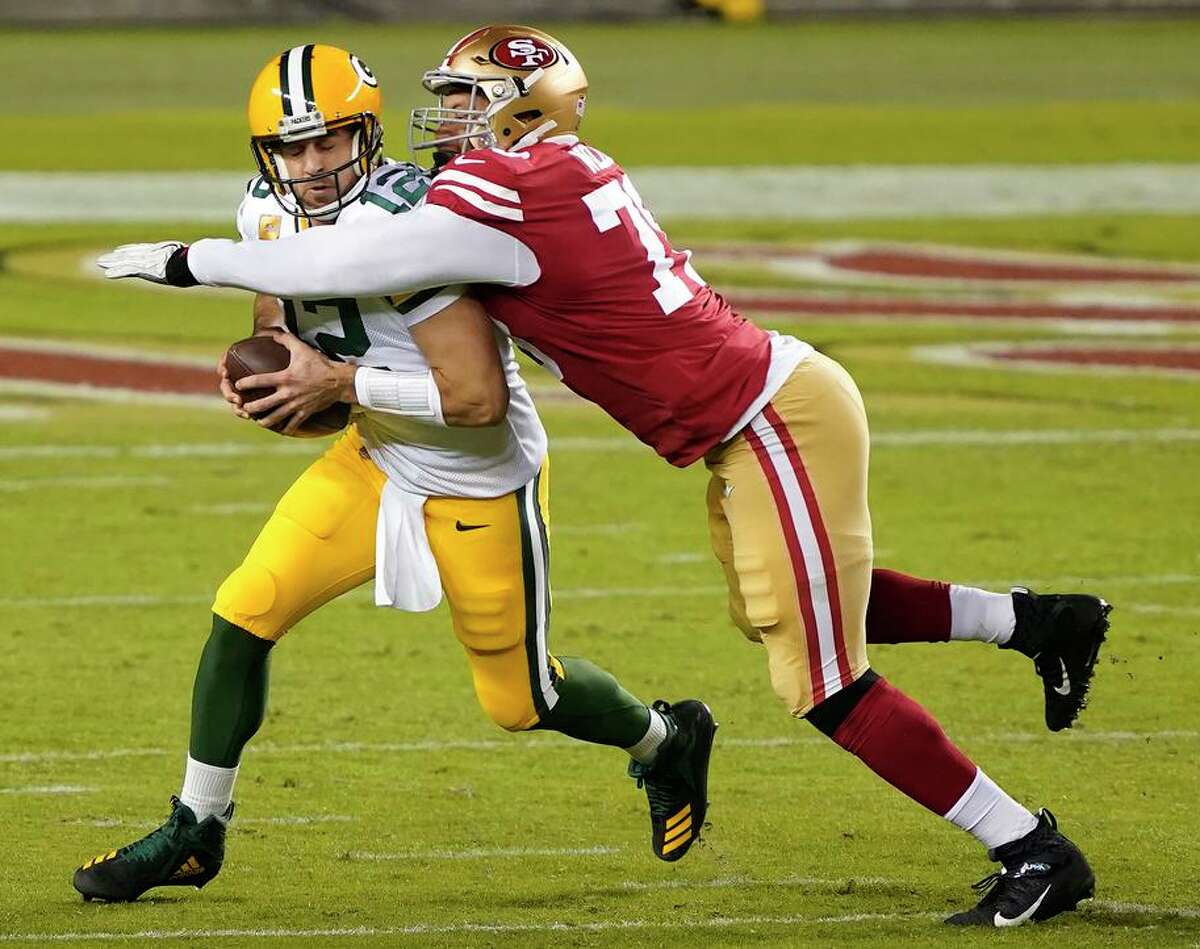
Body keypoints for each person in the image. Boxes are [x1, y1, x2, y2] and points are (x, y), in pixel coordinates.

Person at [97, 27, 1110, 926]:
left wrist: (190, 262)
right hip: (701, 428)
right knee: (785, 611)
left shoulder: (484, 203)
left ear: (518, 110)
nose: (442, 119)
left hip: (760, 422)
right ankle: (1035, 623)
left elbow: (402, 331)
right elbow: (296, 289)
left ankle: (1029, 845)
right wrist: (287, 369)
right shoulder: (537, 172)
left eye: (463, 101)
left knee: (817, 679)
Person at [75, 43, 718, 904]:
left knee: (521, 698)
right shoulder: (265, 209)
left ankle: (663, 737)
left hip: (476, 474)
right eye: (291, 148)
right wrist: (276, 376)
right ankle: (199, 825)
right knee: (243, 610)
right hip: (375, 451)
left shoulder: (420, 222)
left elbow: (478, 397)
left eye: (328, 142)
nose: (309, 165)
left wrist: (334, 381)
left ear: (366, 136)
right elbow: (280, 310)